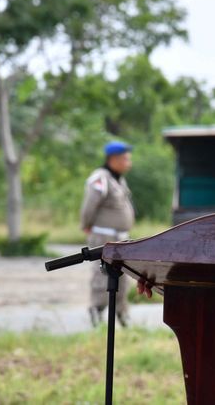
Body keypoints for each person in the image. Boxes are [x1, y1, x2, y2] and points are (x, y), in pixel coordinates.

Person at [81, 140, 135, 327]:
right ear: (114, 159)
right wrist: (86, 224)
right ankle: (97, 309)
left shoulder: (118, 178)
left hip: (120, 236)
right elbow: (90, 204)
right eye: (126, 159)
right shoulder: (100, 178)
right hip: (104, 236)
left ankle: (121, 311)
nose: (129, 163)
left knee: (122, 274)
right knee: (101, 272)